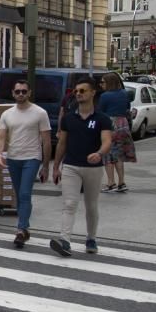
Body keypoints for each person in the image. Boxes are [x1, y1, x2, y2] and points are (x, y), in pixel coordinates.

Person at [50, 78, 112, 257]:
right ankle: (65, 241)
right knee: (69, 204)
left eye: (82, 91)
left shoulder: (102, 119)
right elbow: (62, 143)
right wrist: (56, 166)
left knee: (91, 205)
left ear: (93, 93)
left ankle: (91, 238)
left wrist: (99, 153)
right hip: (71, 166)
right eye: (76, 91)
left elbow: (107, 141)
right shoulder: (69, 118)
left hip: (93, 168)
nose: (78, 94)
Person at [0, 80, 51, 248]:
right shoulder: (7, 114)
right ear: (13, 93)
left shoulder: (40, 113)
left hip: (32, 157)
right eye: (18, 91)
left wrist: (46, 165)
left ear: (29, 93)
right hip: (13, 157)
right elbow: (1, 136)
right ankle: (24, 227)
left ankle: (21, 229)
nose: (21, 94)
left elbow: (46, 140)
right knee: (19, 194)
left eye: (24, 91)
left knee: (25, 193)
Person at [98, 72, 135, 193]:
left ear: (109, 83)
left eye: (103, 82)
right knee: (119, 155)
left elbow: (100, 112)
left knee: (108, 154)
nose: (101, 84)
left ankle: (110, 183)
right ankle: (121, 182)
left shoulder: (105, 96)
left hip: (110, 124)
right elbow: (127, 108)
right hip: (123, 124)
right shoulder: (124, 93)